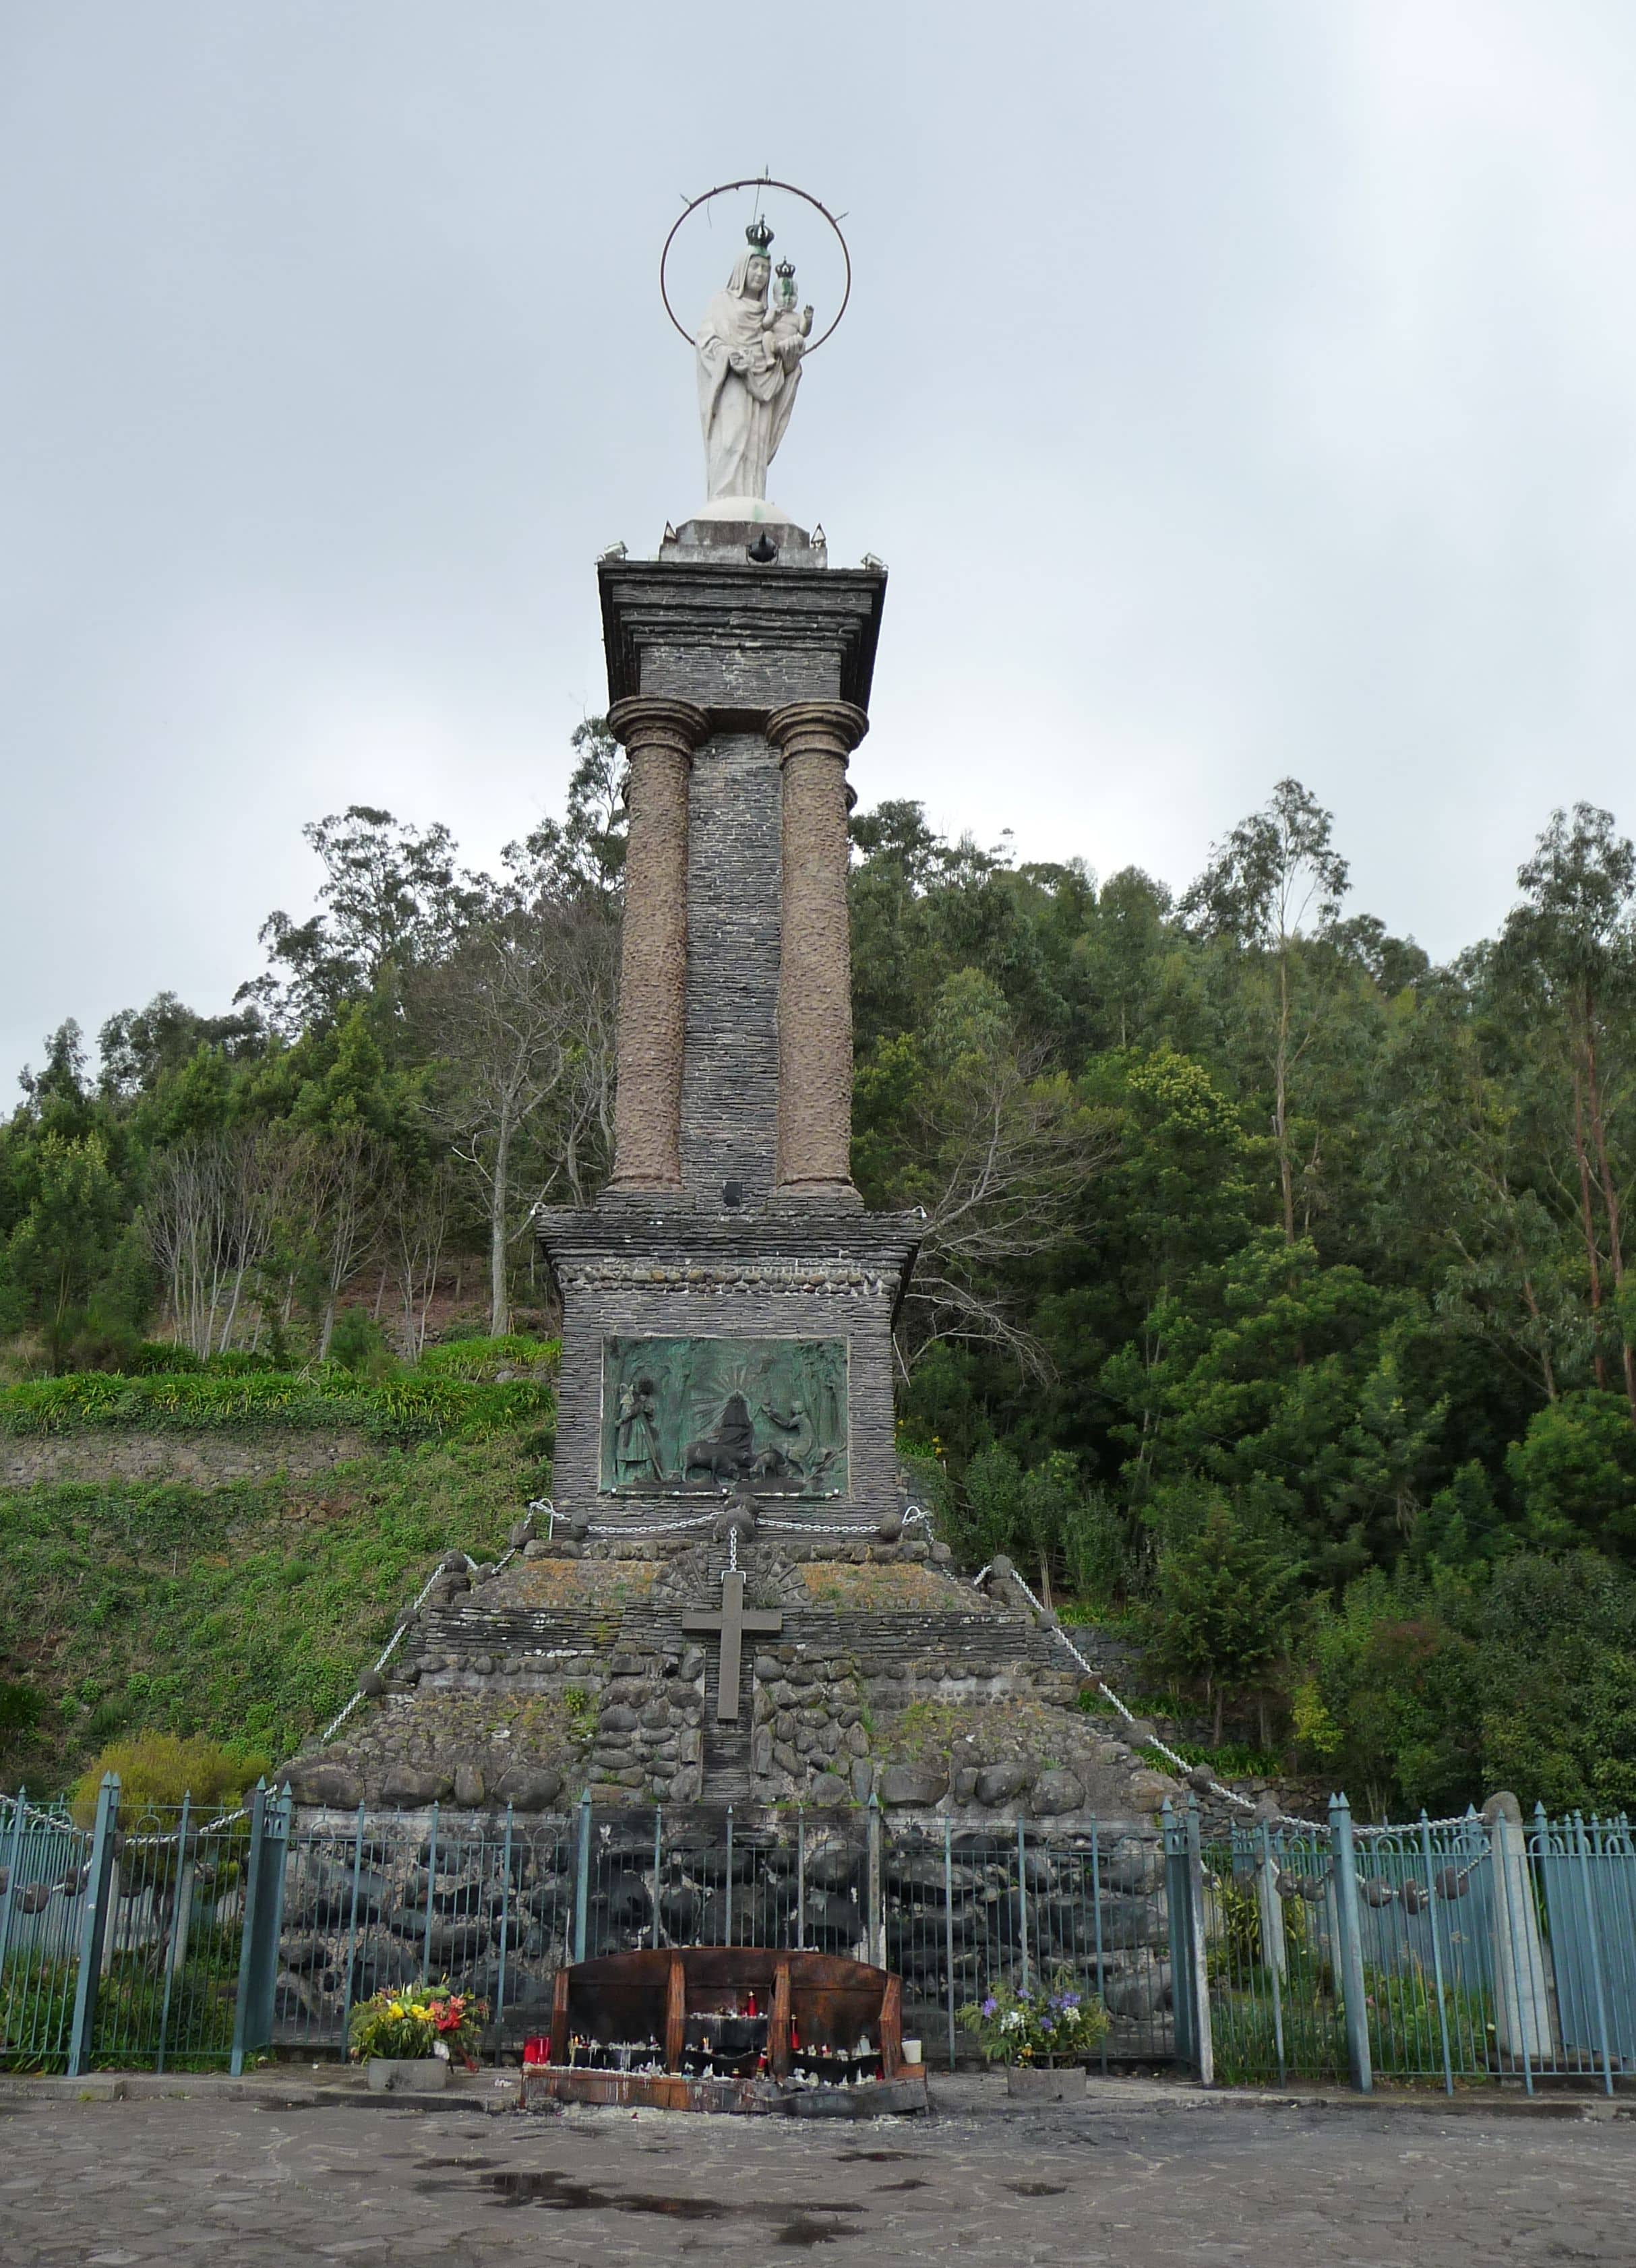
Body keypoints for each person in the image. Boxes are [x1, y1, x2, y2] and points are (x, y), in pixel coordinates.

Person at [695, 224, 811, 502]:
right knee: (732, 437)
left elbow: (780, 358)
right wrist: (729, 355)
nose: (760, 274)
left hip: (764, 386)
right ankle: (723, 499)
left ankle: (751, 499)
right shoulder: (722, 303)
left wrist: (788, 363)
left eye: (765, 270)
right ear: (742, 268)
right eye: (755, 267)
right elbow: (706, 340)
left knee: (754, 443)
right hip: (733, 379)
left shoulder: (770, 316)